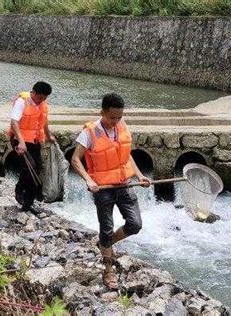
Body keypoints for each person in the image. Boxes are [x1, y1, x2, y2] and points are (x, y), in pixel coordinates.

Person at [72, 93, 150, 290]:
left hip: (124, 184)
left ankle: (105, 245)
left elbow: (126, 155)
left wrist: (139, 176)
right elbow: (75, 160)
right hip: (103, 189)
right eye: (112, 117)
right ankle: (108, 270)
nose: (115, 121)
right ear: (102, 113)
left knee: (135, 224)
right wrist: (89, 180)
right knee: (106, 228)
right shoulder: (89, 132)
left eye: (119, 117)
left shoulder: (122, 126)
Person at [8, 81, 56, 213]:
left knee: (38, 167)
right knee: (29, 168)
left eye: (45, 98)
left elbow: (44, 121)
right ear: (33, 92)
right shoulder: (22, 101)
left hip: (35, 141)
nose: (42, 100)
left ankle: (28, 204)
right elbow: (14, 122)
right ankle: (20, 190)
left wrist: (48, 135)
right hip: (20, 140)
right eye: (40, 97)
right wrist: (21, 142)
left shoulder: (43, 105)